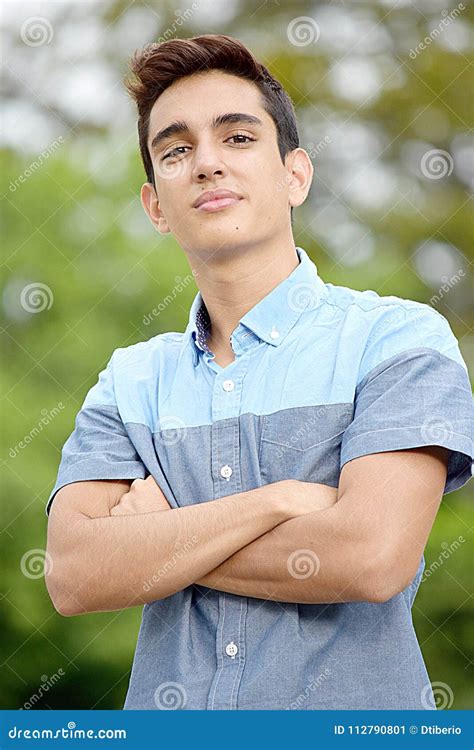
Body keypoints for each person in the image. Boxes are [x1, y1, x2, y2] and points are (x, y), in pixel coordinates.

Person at [45, 34, 473, 711]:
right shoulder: (129, 380)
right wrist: (278, 502)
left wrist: (151, 546)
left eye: (238, 139)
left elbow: (371, 557)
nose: (207, 163)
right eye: (177, 150)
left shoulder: (397, 340)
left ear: (295, 175)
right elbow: (73, 575)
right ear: (156, 204)